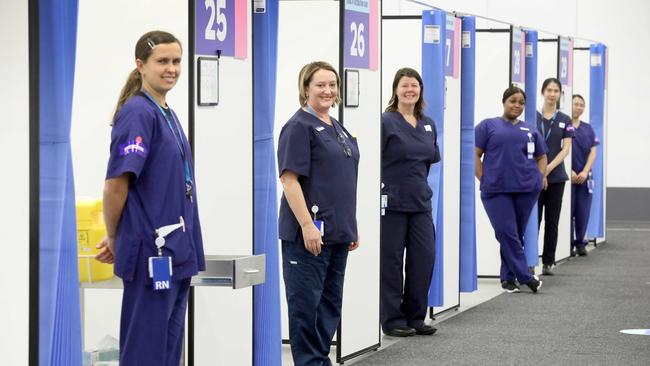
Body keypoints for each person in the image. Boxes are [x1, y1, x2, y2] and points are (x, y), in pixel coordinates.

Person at [95, 31, 205, 366]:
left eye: (176, 61)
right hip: (150, 252)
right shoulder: (138, 114)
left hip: (176, 249)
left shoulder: (166, 112)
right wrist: (115, 236)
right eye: (162, 61)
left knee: (169, 350)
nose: (171, 68)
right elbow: (116, 185)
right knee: (145, 351)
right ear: (140, 65)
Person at [277, 61, 360, 365]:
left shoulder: (335, 125)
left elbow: (340, 180)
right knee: (306, 307)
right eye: (320, 85)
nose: (328, 90)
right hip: (307, 235)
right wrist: (307, 225)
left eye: (332, 85)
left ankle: (319, 360)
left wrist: (349, 226)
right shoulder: (299, 127)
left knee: (328, 305)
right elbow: (289, 180)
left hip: (337, 234)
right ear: (306, 88)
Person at [380, 68, 440, 337]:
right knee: (391, 262)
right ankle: (392, 320)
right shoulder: (385, 122)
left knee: (423, 259)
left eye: (414, 85)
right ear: (395, 90)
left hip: (420, 202)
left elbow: (427, 162)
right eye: (404, 85)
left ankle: (415, 316)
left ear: (420, 90)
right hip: (392, 202)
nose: (409, 90)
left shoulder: (427, 124)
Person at [475, 86, 546, 293]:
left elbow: (542, 156)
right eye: (513, 101)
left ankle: (508, 277)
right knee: (507, 232)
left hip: (526, 189)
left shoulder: (531, 129)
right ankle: (526, 276)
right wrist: (484, 179)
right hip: (496, 190)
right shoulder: (488, 126)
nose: (517, 105)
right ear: (504, 101)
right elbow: (474, 154)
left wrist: (539, 178)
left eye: (521, 102)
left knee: (515, 234)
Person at [536, 78, 574, 275]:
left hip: (556, 178)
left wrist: (547, 168)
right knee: (533, 220)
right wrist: (539, 171)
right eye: (549, 90)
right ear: (543, 92)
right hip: (534, 178)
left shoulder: (565, 120)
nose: (552, 94)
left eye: (556, 91)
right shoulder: (532, 117)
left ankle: (548, 261)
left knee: (552, 221)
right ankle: (529, 260)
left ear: (560, 94)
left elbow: (566, 149)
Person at [570, 95, 599, 256]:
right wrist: (570, 171)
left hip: (584, 178)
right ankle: (566, 246)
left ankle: (580, 243)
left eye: (582, 105)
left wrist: (585, 171)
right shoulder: (564, 126)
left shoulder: (588, 128)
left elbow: (593, 151)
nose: (579, 107)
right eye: (576, 104)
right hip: (568, 177)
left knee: (583, 211)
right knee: (568, 212)